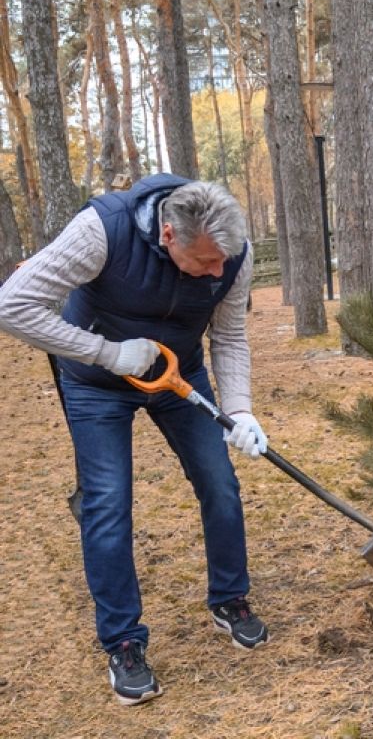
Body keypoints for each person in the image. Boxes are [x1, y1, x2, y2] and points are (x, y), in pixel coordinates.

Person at [0, 174, 270, 705]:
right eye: (207, 262)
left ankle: (229, 599)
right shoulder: (104, 230)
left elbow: (231, 334)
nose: (218, 272)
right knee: (109, 503)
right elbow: (12, 305)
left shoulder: (234, 254)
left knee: (220, 481)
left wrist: (239, 410)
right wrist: (105, 352)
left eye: (224, 262)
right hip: (97, 383)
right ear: (169, 235)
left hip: (179, 376)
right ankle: (123, 642)